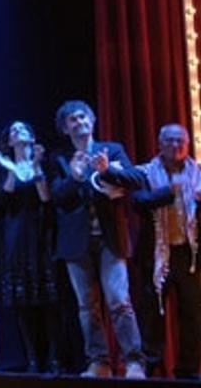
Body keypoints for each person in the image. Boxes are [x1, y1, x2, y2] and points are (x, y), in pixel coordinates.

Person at [49, 100, 145, 379]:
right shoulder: (59, 158)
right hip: (76, 243)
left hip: (109, 238)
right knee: (86, 306)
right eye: (72, 121)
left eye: (82, 117)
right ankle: (99, 362)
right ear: (65, 129)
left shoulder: (111, 149)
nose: (79, 123)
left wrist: (107, 170)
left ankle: (134, 361)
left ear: (92, 120)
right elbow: (56, 198)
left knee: (119, 300)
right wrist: (75, 177)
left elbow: (135, 179)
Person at [132, 124, 201, 379]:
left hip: (188, 254)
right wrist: (168, 193)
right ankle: (153, 366)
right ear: (160, 144)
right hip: (156, 254)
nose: (176, 145)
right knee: (152, 316)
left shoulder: (198, 173)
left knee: (192, 314)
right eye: (170, 141)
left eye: (180, 141)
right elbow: (138, 202)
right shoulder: (144, 172)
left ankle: (189, 369)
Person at [0, 121, 59, 373]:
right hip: (15, 237)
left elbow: (46, 197)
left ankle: (53, 358)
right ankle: (32, 358)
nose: (18, 132)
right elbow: (3, 202)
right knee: (22, 302)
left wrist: (35, 166)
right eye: (13, 131)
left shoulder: (45, 163)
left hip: (41, 234)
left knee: (49, 300)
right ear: (10, 142)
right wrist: (11, 168)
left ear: (32, 138)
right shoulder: (4, 167)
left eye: (23, 129)